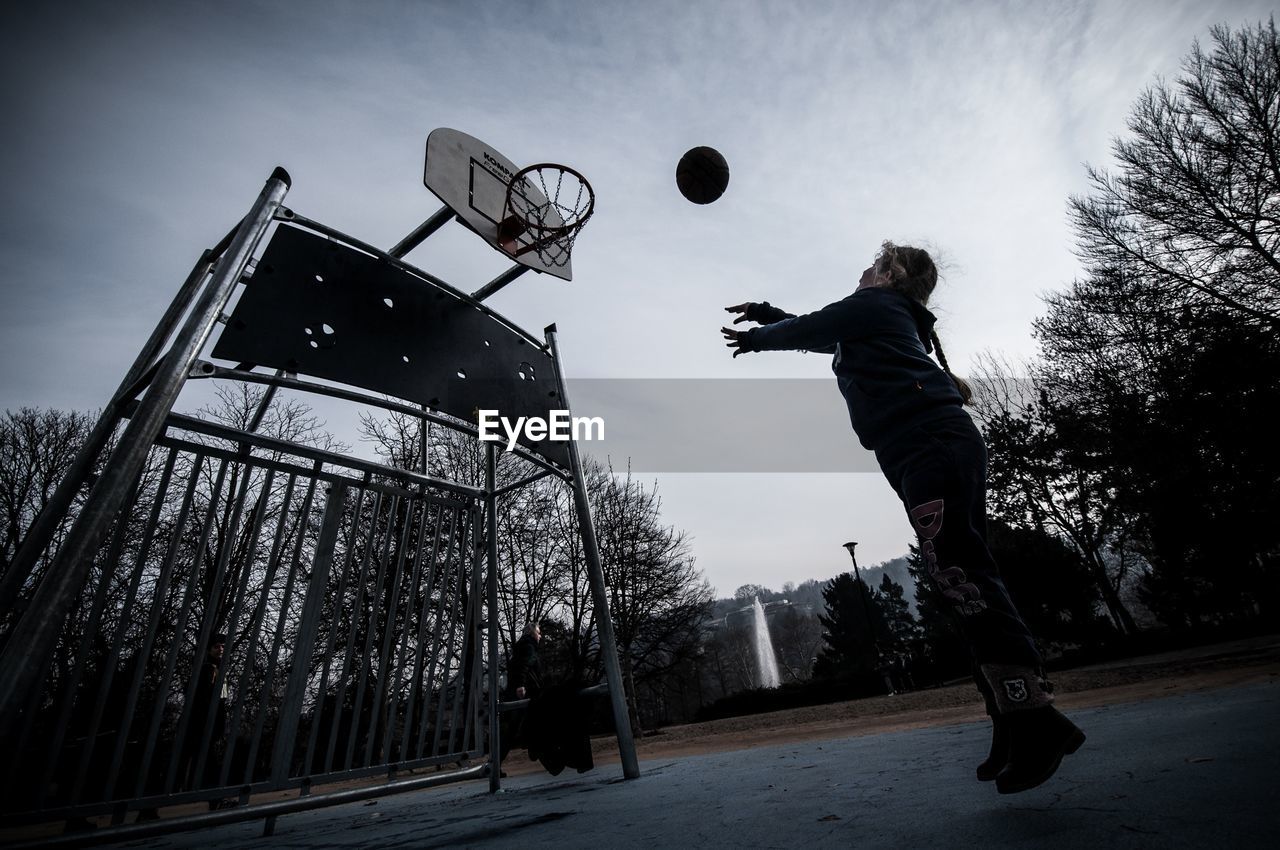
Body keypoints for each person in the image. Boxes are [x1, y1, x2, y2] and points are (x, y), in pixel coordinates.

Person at [721, 241, 1086, 795]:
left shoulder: (876, 305)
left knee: (963, 574)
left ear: (891, 275)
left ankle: (1035, 717)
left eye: (872, 265)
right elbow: (821, 333)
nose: (862, 271)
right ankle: (1011, 720)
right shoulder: (878, 317)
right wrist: (771, 317)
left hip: (928, 442)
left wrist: (759, 336)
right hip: (918, 445)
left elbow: (812, 328)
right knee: (954, 578)